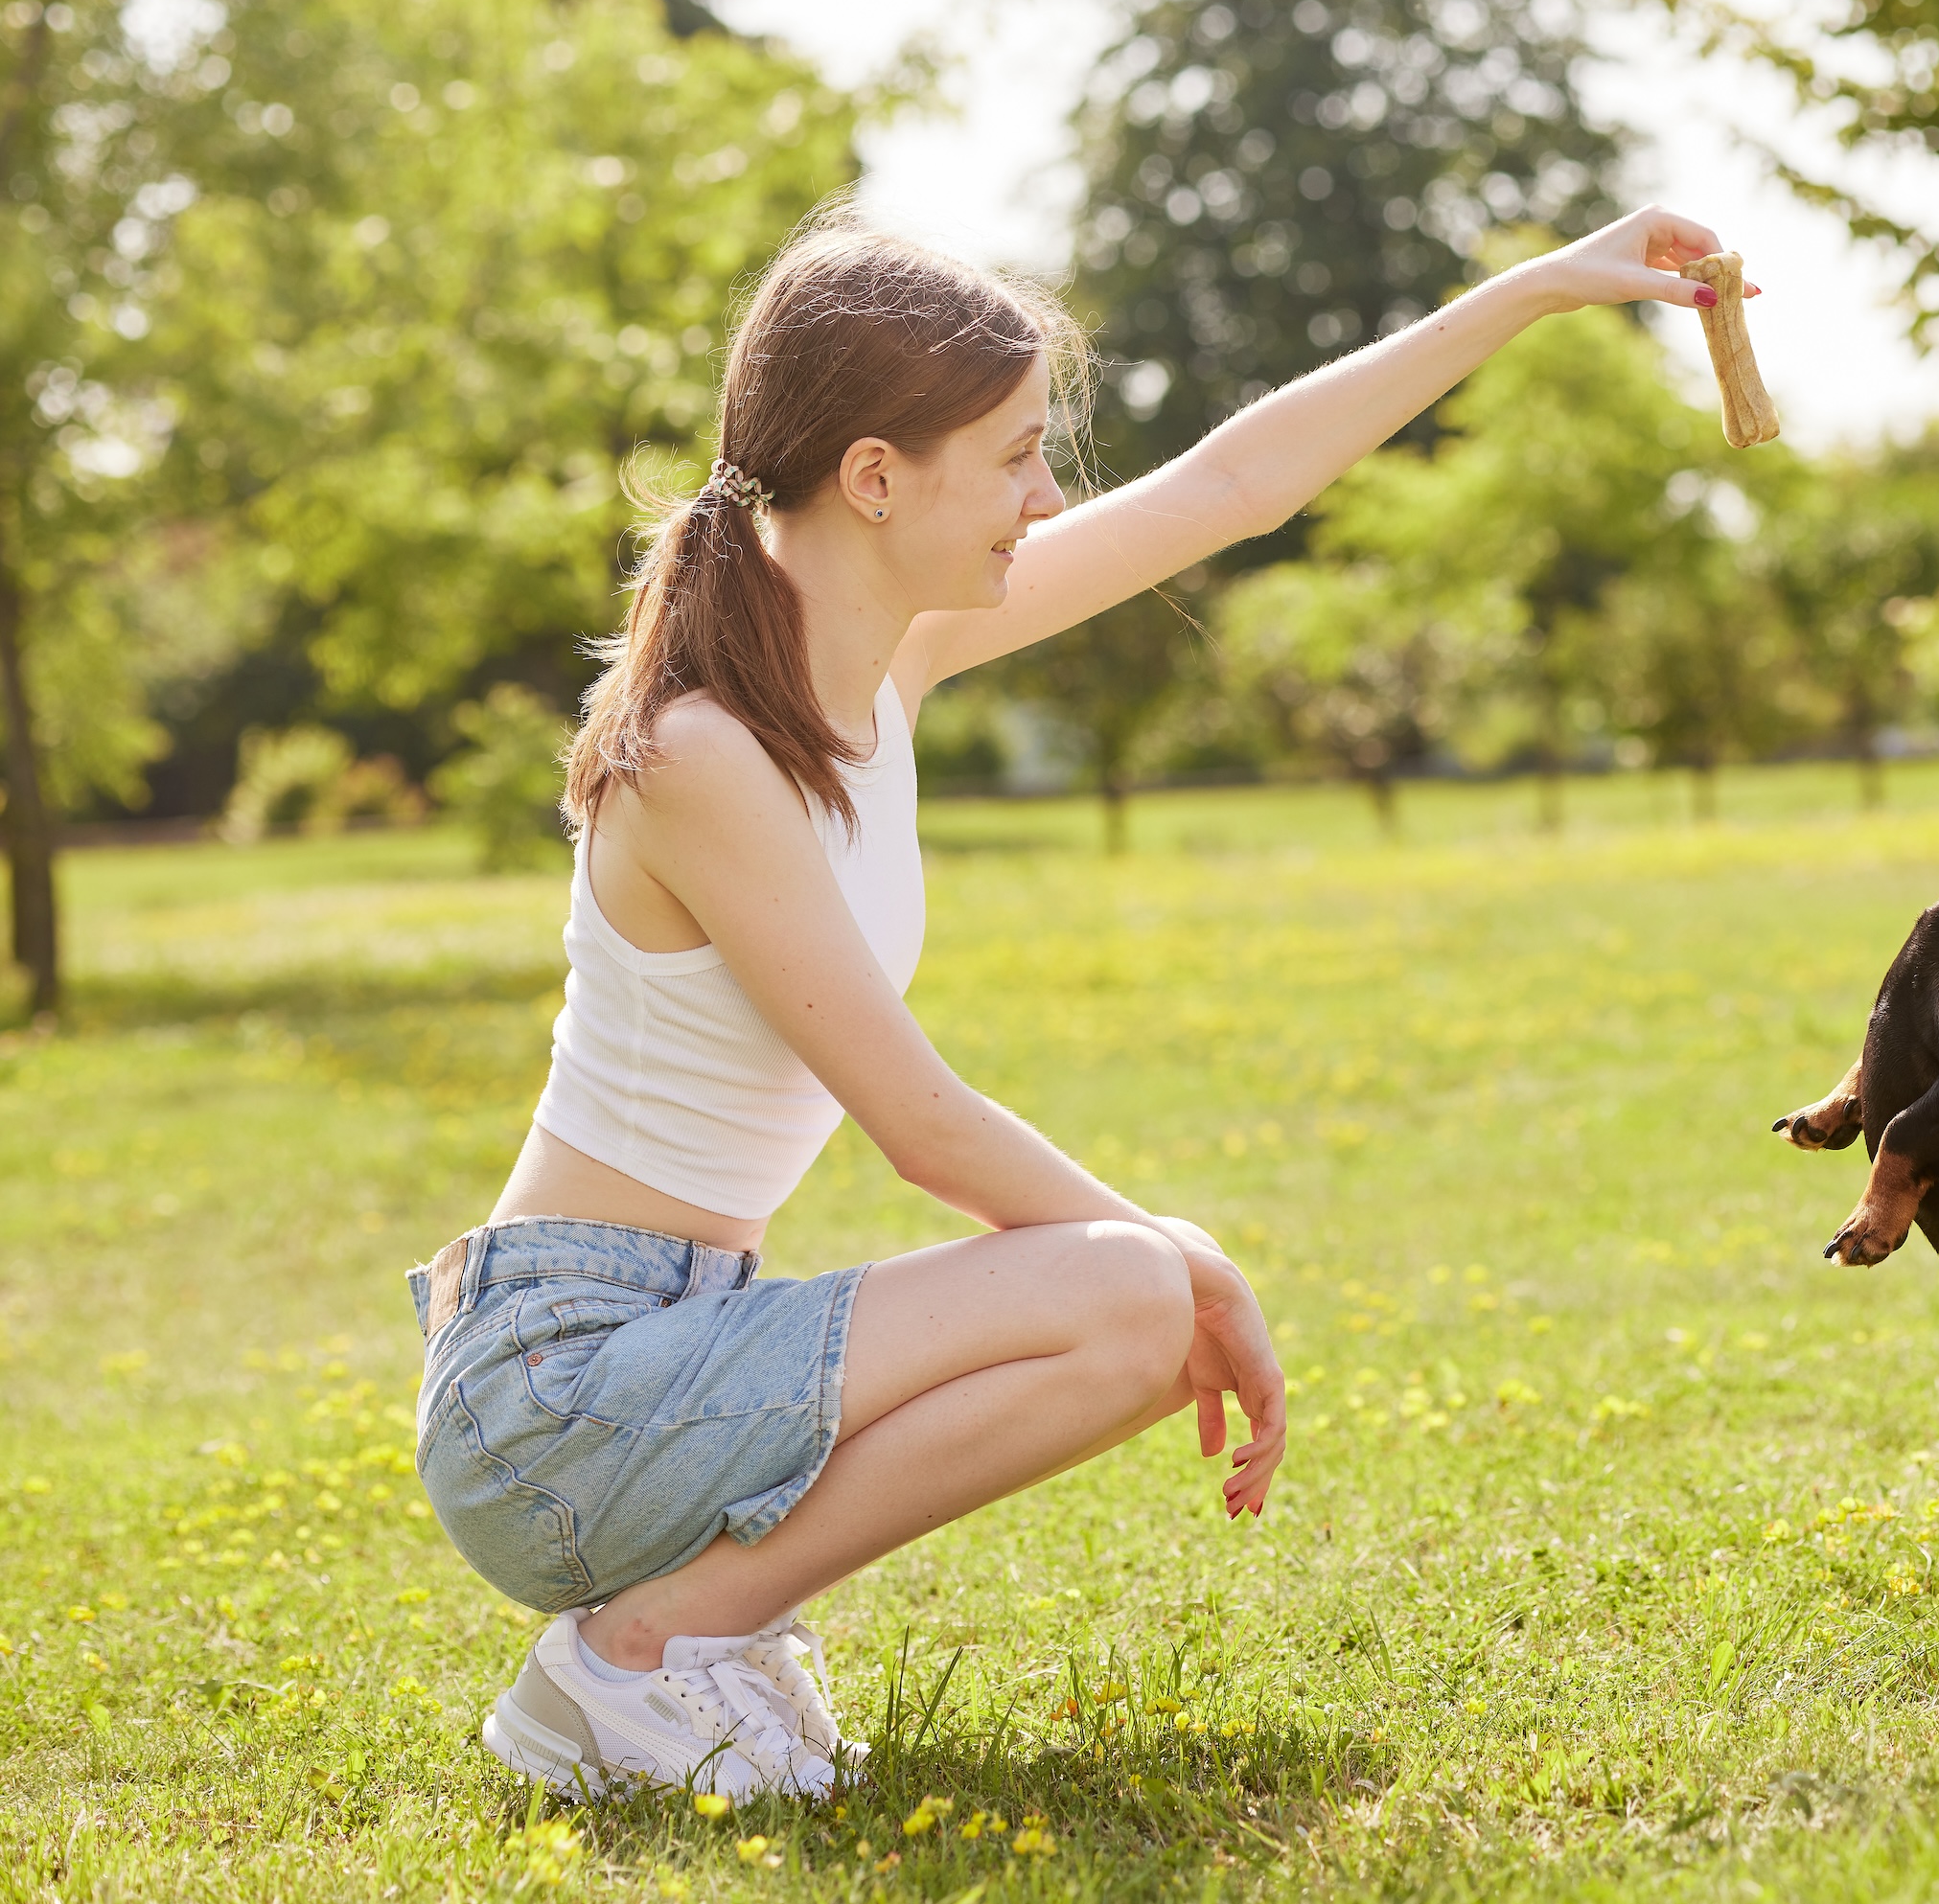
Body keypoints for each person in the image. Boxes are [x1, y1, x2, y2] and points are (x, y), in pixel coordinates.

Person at [407, 198, 1746, 1798]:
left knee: (1128, 1294)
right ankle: (639, 1661)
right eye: (1016, 456)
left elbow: (1236, 487)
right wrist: (1192, 1261)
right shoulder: (706, 751)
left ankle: (691, 1624)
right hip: (556, 1396)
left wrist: (1532, 292)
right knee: (1126, 1293)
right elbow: (920, 1122)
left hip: (667, 1346)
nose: (1045, 496)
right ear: (877, 479)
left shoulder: (881, 668)